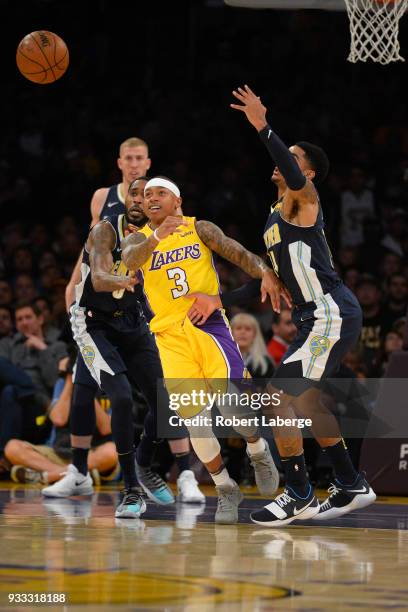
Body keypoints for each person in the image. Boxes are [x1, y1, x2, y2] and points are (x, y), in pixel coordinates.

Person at [188, 85, 376, 527]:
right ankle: (350, 483)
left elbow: (292, 173)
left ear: (307, 173)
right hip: (313, 318)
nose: (282, 161)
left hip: (331, 312)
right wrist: (225, 297)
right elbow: (271, 286)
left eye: (293, 157)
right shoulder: (276, 217)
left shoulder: (305, 201)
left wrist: (263, 126)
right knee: (308, 404)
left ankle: (298, 492)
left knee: (276, 399)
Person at [121, 176, 282, 524]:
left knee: (234, 407)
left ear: (177, 200)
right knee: (196, 423)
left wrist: (264, 270)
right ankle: (226, 488)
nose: (151, 199)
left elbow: (236, 251)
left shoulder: (200, 228)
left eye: (160, 193)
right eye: (147, 195)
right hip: (169, 337)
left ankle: (258, 449)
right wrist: (157, 236)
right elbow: (131, 260)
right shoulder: (140, 238)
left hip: (208, 326)